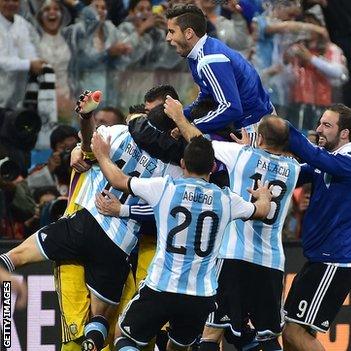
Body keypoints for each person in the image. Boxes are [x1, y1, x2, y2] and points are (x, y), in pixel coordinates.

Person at [0, 91, 183, 351]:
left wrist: (86, 120)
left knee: (16, 256)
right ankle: (90, 341)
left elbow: (87, 147)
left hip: (83, 223)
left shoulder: (119, 133)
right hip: (119, 245)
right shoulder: (172, 169)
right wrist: (123, 211)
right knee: (99, 321)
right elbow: (170, 208)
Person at [89, 131, 273, 351]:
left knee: (124, 338)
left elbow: (118, 180)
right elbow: (261, 211)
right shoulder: (227, 199)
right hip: (200, 296)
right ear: (213, 167)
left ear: (183, 163)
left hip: (161, 287)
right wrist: (264, 196)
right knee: (177, 348)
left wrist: (102, 156)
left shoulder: (165, 187)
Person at [161, 97, 301, 351]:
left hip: (234, 257)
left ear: (259, 138)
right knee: (268, 336)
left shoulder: (240, 155)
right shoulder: (294, 169)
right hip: (270, 261)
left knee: (212, 332)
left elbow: (199, 143)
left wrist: (180, 118)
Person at [281, 104, 351, 351]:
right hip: (319, 259)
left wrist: (285, 131)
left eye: (327, 125)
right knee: (289, 329)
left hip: (335, 262)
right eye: (320, 123)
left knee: (295, 331)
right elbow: (293, 175)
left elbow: (316, 157)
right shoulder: (328, 161)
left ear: (345, 134)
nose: (319, 129)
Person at [164, 4, 273, 136]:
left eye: (171, 31)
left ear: (188, 33)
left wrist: (189, 126)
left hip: (255, 127)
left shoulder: (208, 60)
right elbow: (207, 97)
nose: (168, 38)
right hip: (255, 120)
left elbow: (231, 108)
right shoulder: (199, 51)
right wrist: (181, 116)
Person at [0, 0, 47, 109]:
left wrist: (37, 62)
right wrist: (29, 64)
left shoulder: (22, 23)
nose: (11, 3)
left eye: (15, 0)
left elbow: (31, 50)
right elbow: (1, 61)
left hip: (19, 98)